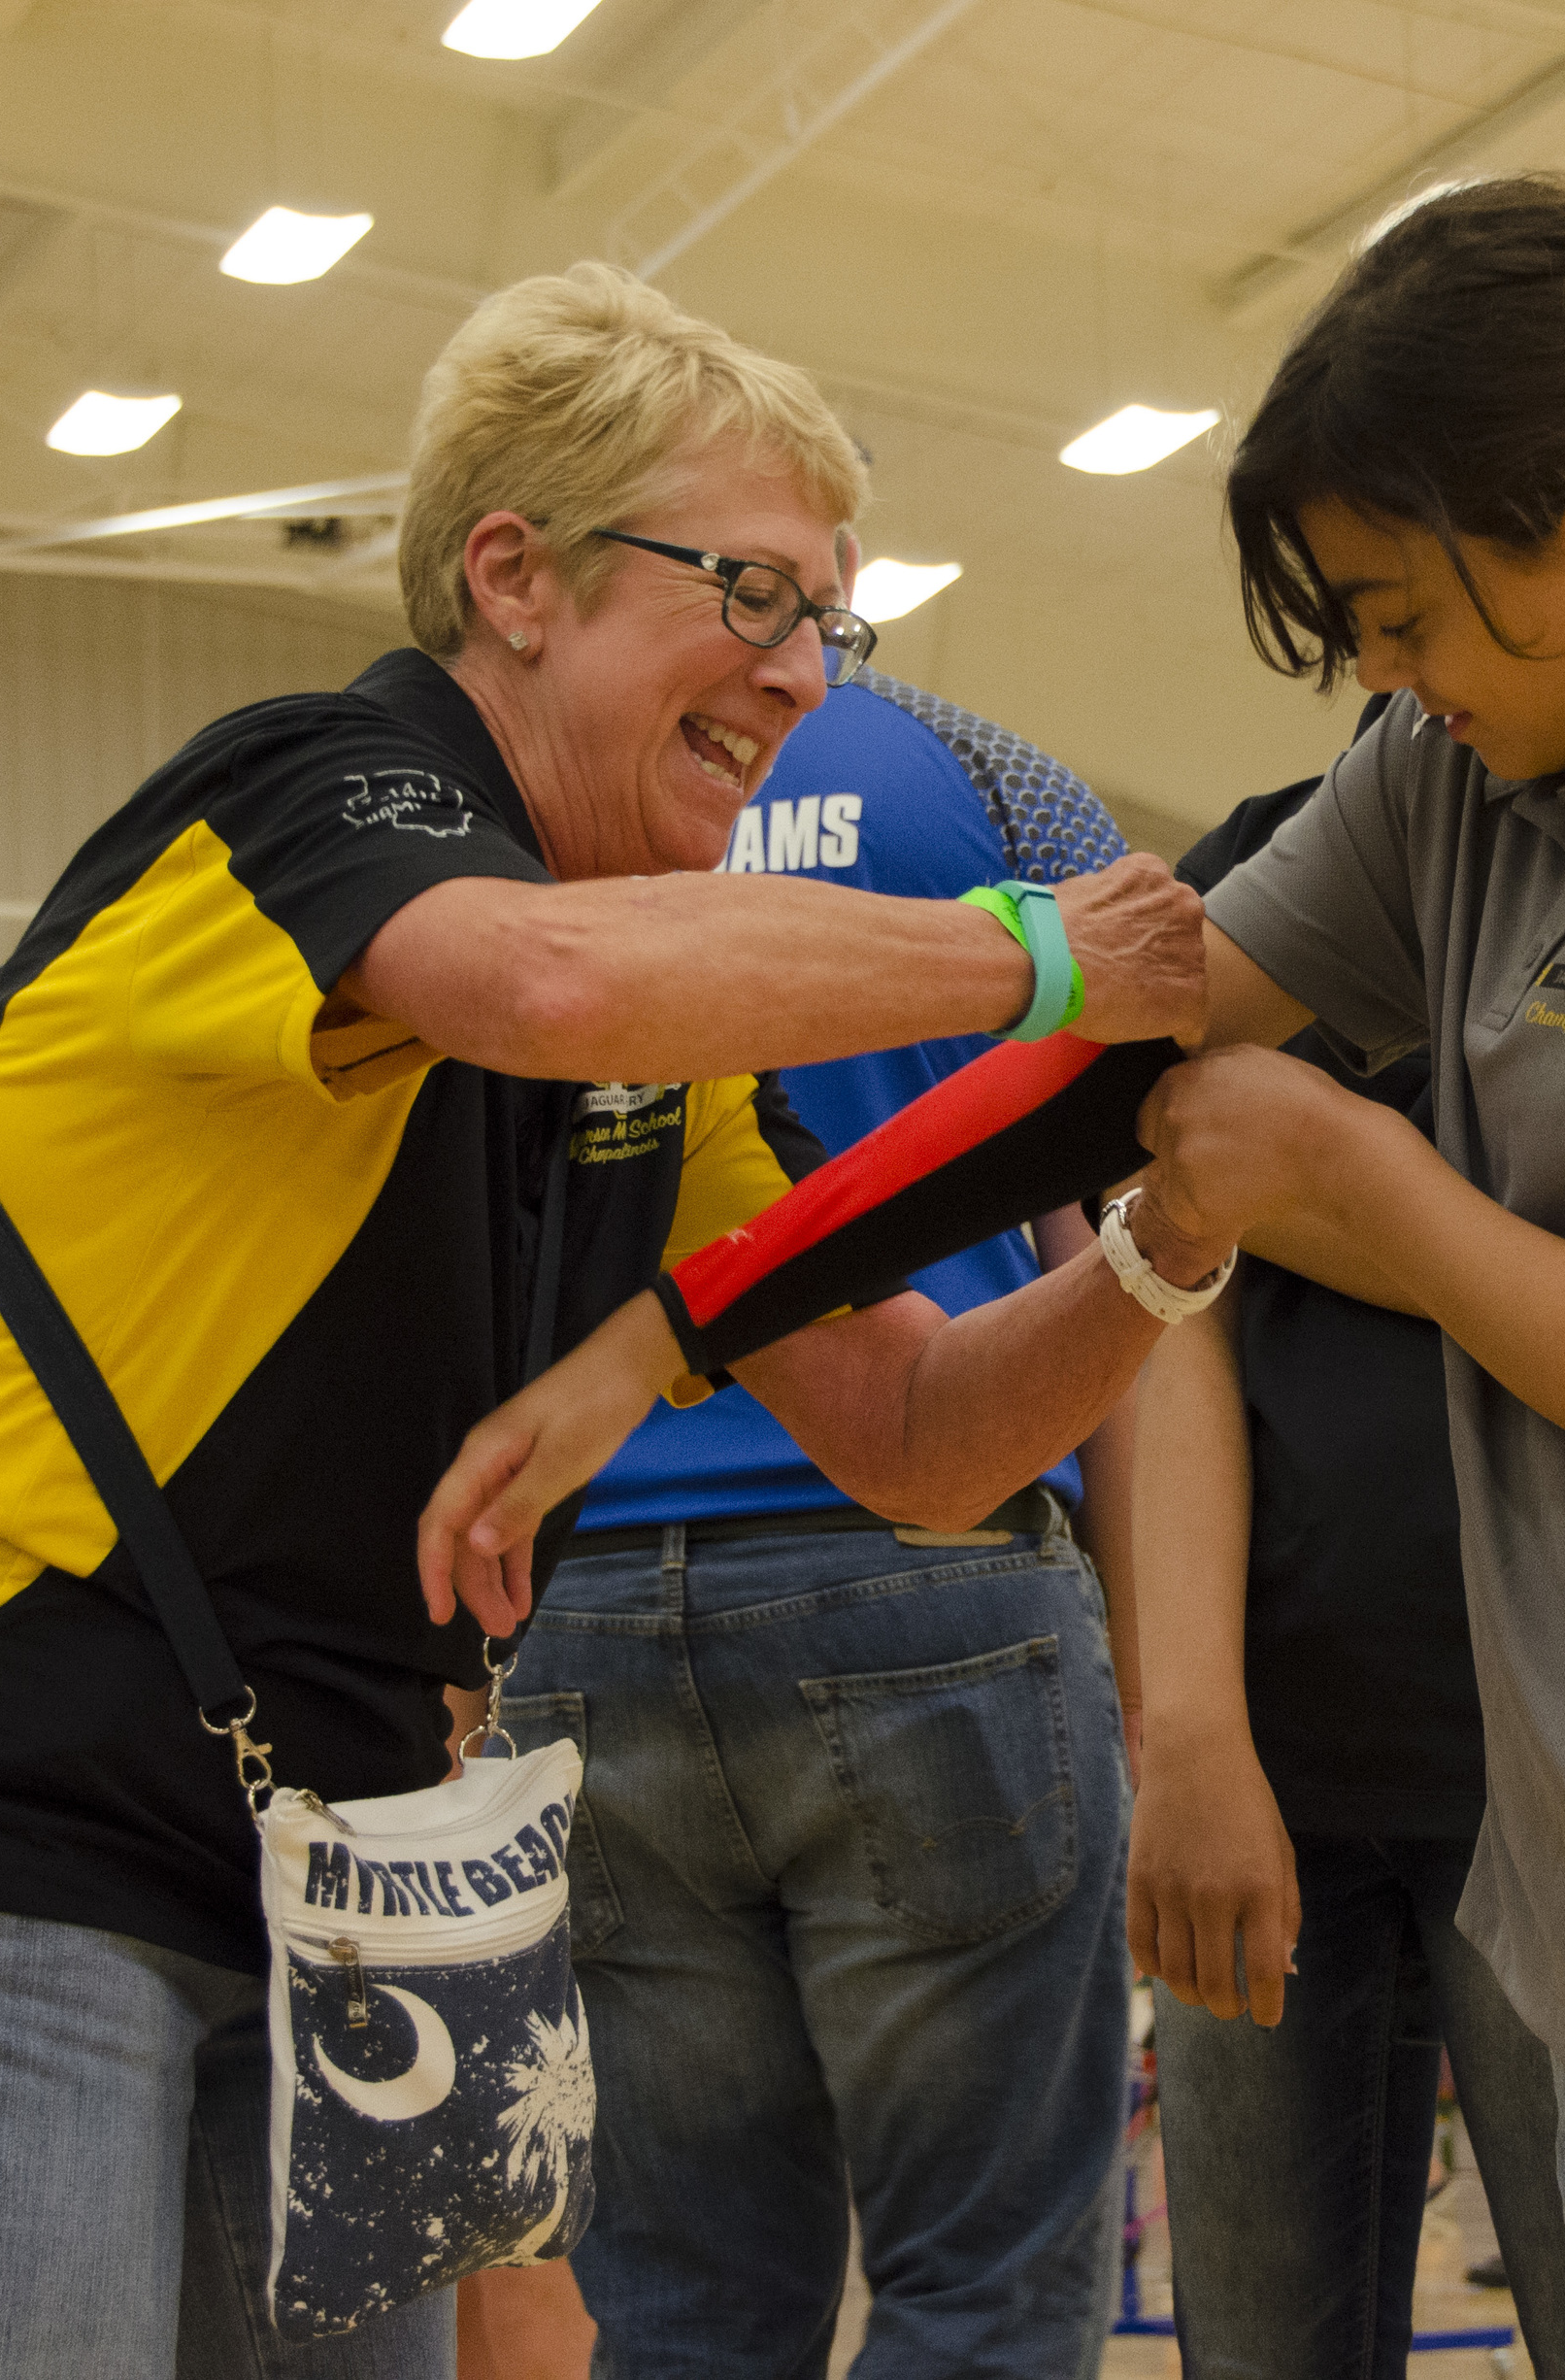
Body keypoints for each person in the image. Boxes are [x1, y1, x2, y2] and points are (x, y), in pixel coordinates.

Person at [449, 182, 1565, 2380]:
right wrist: (667, 1332)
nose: (1379, 678)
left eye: (1401, 614)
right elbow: (1089, 1084)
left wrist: (1353, 1184)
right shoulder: (1449, 779)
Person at [0, 264, 1224, 2378]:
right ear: (511, 574)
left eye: (834, 621)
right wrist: (1042, 957)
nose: (804, 675)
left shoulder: (656, 1039)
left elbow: (913, 1435)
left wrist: (1167, 1242)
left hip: (359, 1858)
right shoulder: (306, 795)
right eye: (754, 593)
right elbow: (539, 985)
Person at [482, 657, 1144, 2380]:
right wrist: (1166, 1689)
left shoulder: (536, 793)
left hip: (586, 1590)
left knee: (682, 2307)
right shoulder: (994, 769)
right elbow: (1118, 1235)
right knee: (982, 2288)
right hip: (932, 1576)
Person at [1127, 765, 1565, 2380]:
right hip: (1276, 1760)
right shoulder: (1260, 862)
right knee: (1259, 2351)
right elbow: (1161, 1283)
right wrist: (1183, 1734)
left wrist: (1305, 1182)